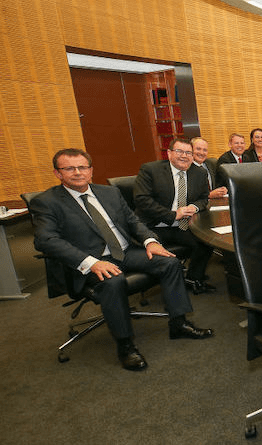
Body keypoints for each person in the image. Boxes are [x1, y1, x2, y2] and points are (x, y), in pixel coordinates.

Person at [30, 149, 214, 371]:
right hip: (91, 261)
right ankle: (125, 345)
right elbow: (45, 240)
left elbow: (133, 221)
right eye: (69, 168)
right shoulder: (46, 202)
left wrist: (150, 241)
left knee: (170, 261)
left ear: (91, 170)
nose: (78, 172)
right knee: (113, 281)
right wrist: (91, 262)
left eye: (83, 167)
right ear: (57, 173)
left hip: (125, 252)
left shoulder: (109, 192)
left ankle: (179, 323)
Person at [134, 139, 216, 295]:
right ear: (169, 153)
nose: (184, 156)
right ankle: (172, 292)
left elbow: (204, 198)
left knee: (206, 242)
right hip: (153, 226)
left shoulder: (199, 173)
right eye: (180, 151)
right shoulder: (150, 170)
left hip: (182, 226)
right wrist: (172, 215)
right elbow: (142, 200)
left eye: (188, 153)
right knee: (165, 258)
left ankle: (193, 279)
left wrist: (195, 207)